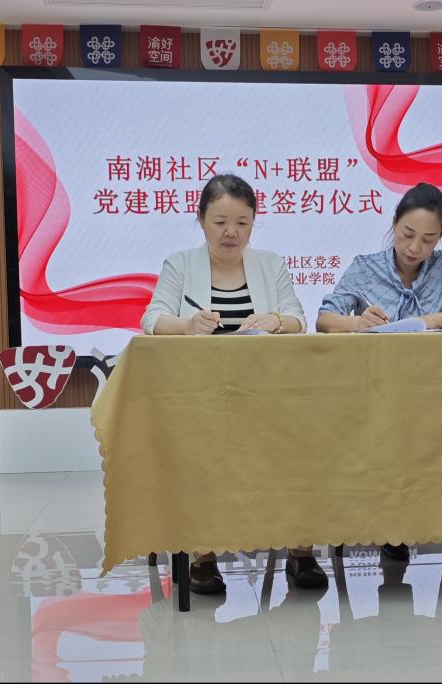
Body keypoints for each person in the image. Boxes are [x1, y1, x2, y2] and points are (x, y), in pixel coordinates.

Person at [140, 173, 328, 593]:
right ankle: (203, 556)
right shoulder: (180, 264)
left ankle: (301, 551)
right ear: (201, 219)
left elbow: (298, 319)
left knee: (302, 444)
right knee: (200, 448)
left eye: (242, 223)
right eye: (220, 221)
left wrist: (275, 320)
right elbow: (152, 319)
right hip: (201, 396)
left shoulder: (271, 264)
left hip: (266, 394)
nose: (231, 232)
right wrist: (187, 325)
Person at [315, 182, 442, 584]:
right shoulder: (365, 267)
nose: (415, 247)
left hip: (436, 395)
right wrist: (356, 322)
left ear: (440, 237)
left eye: (428, 239)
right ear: (394, 224)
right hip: (376, 398)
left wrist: (433, 320)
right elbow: (325, 319)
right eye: (407, 234)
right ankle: (393, 530)